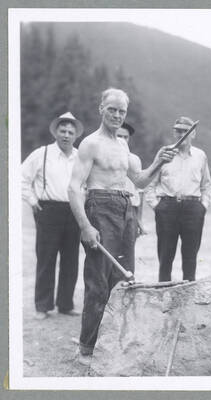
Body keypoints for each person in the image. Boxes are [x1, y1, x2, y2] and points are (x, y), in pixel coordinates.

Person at [68, 88, 177, 363]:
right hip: (99, 208)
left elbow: (139, 181)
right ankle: (86, 349)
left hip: (125, 209)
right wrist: (85, 226)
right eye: (112, 109)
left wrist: (158, 162)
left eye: (122, 111)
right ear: (101, 109)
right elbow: (73, 188)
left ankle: (110, 342)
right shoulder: (90, 144)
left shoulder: (122, 145)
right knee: (98, 283)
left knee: (122, 279)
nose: (117, 115)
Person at [22, 112, 84, 320]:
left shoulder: (79, 156)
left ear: (76, 136)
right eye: (63, 131)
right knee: (46, 258)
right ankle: (42, 305)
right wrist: (32, 200)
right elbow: (21, 179)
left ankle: (65, 304)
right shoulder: (42, 154)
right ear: (56, 132)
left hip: (73, 211)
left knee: (71, 260)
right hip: (48, 211)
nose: (66, 135)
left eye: (70, 132)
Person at [145, 116, 211, 282]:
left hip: (193, 209)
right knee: (165, 256)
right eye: (178, 131)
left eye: (185, 131)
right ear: (174, 133)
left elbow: (207, 185)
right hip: (167, 207)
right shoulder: (165, 153)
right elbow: (149, 183)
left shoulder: (200, 156)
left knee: (190, 257)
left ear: (193, 134)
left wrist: (203, 206)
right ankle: (164, 297)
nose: (181, 134)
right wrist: (157, 206)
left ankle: (188, 298)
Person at [116, 122, 147, 238]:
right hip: (111, 207)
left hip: (131, 209)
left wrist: (139, 219)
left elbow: (139, 191)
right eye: (119, 136)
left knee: (128, 250)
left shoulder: (135, 159)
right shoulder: (103, 155)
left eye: (126, 137)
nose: (123, 140)